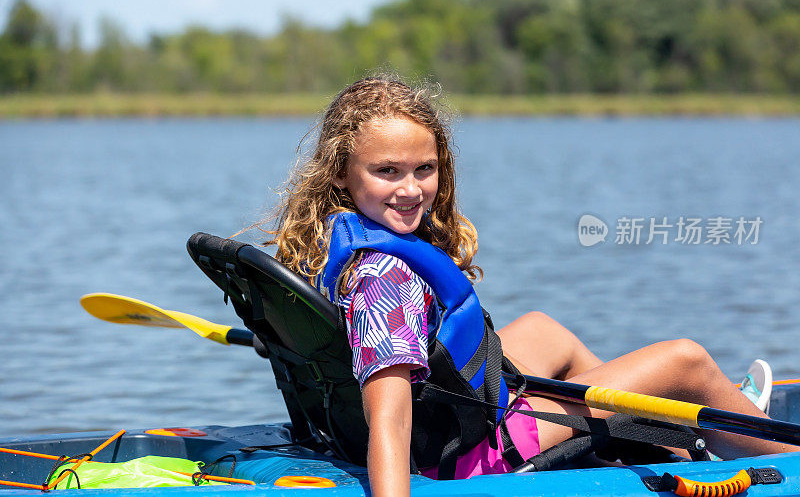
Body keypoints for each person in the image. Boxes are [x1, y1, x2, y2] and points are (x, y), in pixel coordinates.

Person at [260, 76, 798, 497]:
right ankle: (754, 442)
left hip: (455, 412)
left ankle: (654, 438)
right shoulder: (385, 279)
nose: (410, 189)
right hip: (466, 454)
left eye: (424, 168)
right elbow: (391, 412)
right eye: (387, 171)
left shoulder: (336, 236)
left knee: (544, 331)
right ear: (339, 171)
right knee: (686, 360)